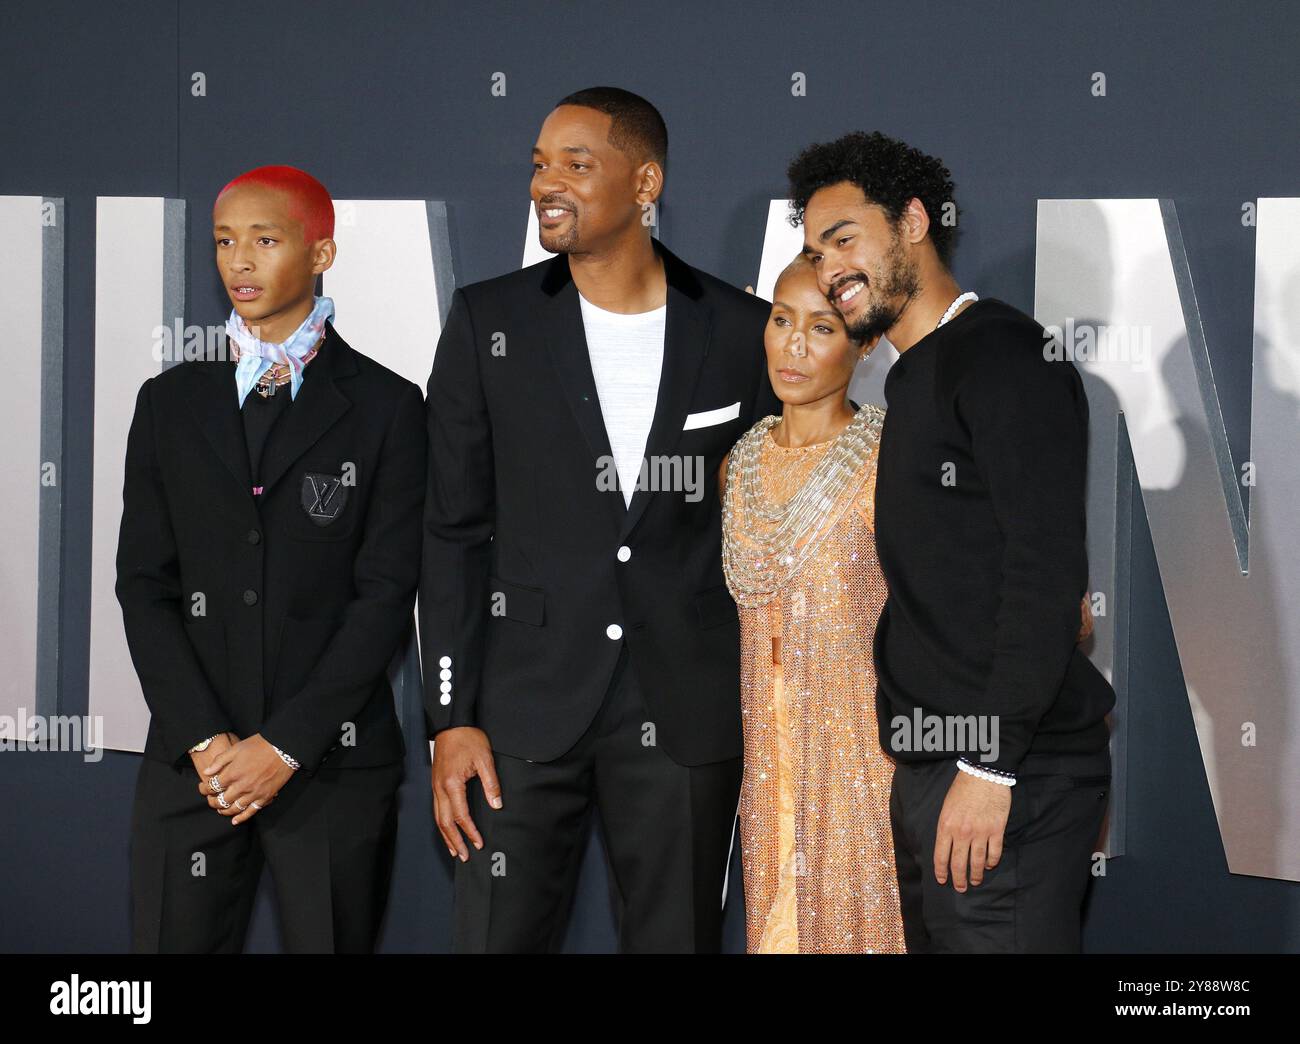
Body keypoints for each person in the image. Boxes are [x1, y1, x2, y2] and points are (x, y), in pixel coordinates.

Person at [421, 87, 780, 952]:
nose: (549, 183)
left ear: (645, 180)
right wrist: (449, 716)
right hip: (519, 712)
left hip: (684, 710)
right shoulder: (488, 321)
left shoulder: (741, 330)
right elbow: (452, 531)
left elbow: (780, 512)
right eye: (541, 164)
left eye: (578, 164)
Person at [788, 130, 1114, 953]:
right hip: (942, 770)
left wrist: (990, 767)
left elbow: (1044, 576)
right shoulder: (914, 375)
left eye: (844, 240)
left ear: (913, 221)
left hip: (1009, 775)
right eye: (815, 253)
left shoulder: (1003, 357)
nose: (830, 270)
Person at [117, 165, 425, 952]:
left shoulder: (389, 407)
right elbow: (144, 586)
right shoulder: (169, 402)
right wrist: (207, 741)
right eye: (224, 241)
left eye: (264, 239)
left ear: (321, 251)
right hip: (194, 769)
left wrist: (286, 744)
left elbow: (385, 594)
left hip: (332, 769)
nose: (239, 261)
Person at [721, 255, 906, 953]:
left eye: (821, 327)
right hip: (768, 768)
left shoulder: (888, 459)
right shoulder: (736, 464)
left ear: (863, 344)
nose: (792, 345)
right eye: (780, 319)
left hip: (865, 768)